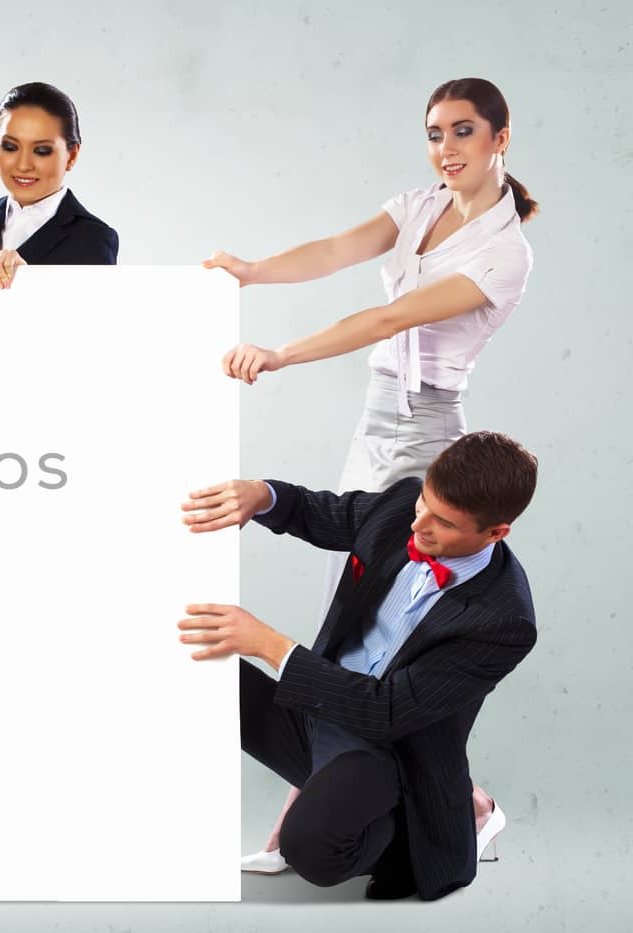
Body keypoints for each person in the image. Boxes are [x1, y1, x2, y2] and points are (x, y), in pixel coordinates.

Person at [201, 77, 538, 872]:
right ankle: (365, 783)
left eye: (462, 132)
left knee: (396, 623)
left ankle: (440, 807)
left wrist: (279, 353)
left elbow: (389, 317)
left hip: (428, 431)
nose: (446, 149)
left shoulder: (506, 250)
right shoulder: (418, 205)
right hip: (375, 417)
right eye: (433, 133)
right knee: (346, 610)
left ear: (501, 137)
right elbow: (335, 250)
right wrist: (250, 272)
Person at [178, 431, 539, 900]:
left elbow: (385, 712)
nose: (419, 526)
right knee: (189, 665)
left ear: (496, 533)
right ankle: (339, 794)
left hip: (383, 746)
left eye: (443, 523)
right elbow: (321, 511)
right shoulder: (406, 506)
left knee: (309, 848)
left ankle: (425, 826)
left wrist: (270, 645)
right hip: (312, 710)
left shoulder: (503, 620)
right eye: (422, 503)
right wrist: (261, 495)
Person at [0, 81, 118, 286]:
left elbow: (92, 315)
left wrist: (27, 282)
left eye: (42, 151)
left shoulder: (93, 238)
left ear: (71, 155)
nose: (23, 165)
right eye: (10, 147)